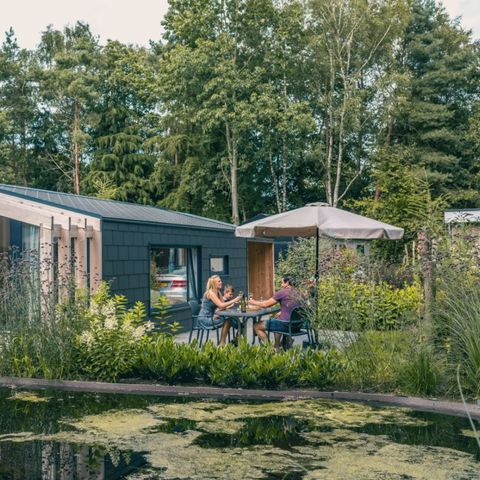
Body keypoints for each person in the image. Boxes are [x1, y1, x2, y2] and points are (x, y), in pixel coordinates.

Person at [251, 275, 301, 352]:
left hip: (286, 325)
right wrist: (281, 312)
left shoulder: (282, 292)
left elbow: (265, 305)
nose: (281, 285)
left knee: (256, 326)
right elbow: (296, 307)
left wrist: (252, 302)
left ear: (287, 283)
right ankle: (277, 346)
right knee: (277, 318)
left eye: (282, 283)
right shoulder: (299, 293)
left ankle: (270, 349)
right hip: (297, 326)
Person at [197, 275, 241, 346]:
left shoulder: (218, 292)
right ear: (214, 283)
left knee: (233, 320)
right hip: (205, 318)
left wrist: (231, 304)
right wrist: (234, 300)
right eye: (219, 281)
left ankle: (235, 338)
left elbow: (223, 306)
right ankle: (222, 344)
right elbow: (221, 305)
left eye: (220, 281)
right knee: (228, 320)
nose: (221, 282)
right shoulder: (211, 293)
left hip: (212, 317)